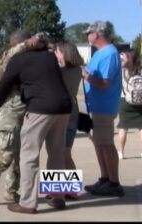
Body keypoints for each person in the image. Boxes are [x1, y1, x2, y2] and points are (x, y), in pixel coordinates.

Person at [0, 31, 72, 214]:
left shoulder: (18, 60)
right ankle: (58, 197)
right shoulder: (49, 57)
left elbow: (4, 84)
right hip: (64, 107)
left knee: (29, 155)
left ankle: (28, 202)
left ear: (19, 45)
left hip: (40, 108)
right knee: (56, 154)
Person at [0, 30, 46, 208]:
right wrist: (33, 42)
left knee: (24, 153)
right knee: (8, 151)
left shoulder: (41, 59)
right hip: (24, 110)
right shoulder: (9, 59)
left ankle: (62, 192)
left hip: (50, 111)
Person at [81, 20, 123, 196]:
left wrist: (86, 76)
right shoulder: (100, 53)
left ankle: (114, 183)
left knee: (106, 144)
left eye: (88, 33)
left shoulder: (109, 54)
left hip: (104, 108)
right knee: (99, 144)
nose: (87, 36)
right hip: (96, 106)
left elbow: (104, 83)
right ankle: (105, 179)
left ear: (96, 34)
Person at [53, 41, 83, 200]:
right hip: (73, 114)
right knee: (66, 154)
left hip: (60, 116)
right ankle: (71, 190)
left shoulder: (58, 71)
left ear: (63, 53)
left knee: (57, 154)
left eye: (57, 51)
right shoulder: (77, 71)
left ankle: (56, 192)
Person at [117, 49, 142, 160]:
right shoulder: (140, 69)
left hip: (125, 100)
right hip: (140, 101)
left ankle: (121, 152)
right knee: (141, 128)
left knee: (123, 127)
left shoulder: (122, 69)